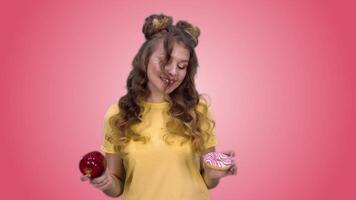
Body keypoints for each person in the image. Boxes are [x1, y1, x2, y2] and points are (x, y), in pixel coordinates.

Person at [81, 13, 238, 199]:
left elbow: (208, 181)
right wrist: (106, 182)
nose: (173, 72)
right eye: (166, 60)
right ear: (145, 59)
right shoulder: (118, 114)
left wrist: (213, 175)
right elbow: (118, 187)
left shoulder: (198, 110)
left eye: (182, 66)